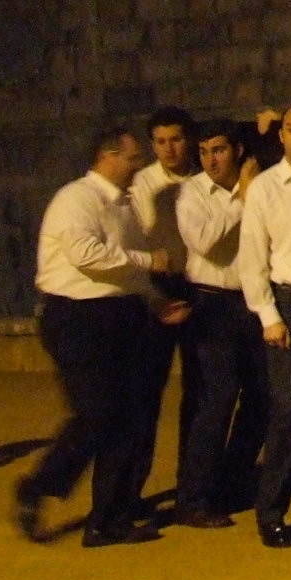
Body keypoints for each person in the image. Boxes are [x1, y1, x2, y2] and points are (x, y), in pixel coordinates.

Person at [16, 123, 182, 547]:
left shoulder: (122, 206)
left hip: (119, 314)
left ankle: (107, 519)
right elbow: (86, 255)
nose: (138, 164)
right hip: (77, 318)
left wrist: (154, 300)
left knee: (128, 420)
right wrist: (150, 261)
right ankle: (40, 485)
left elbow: (123, 270)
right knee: (97, 414)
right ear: (108, 157)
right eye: (131, 157)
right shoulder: (76, 199)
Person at [237, 103, 291, 550]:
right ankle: (270, 509)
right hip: (289, 302)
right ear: (282, 135)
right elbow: (252, 257)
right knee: (289, 410)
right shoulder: (266, 188)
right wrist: (269, 316)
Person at [171, 120, 264, 529]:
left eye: (219, 150)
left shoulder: (261, 185)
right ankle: (193, 498)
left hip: (254, 302)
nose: (210, 159)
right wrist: (243, 198)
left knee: (262, 400)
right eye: (205, 151)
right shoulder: (192, 192)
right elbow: (206, 242)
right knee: (215, 401)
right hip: (211, 304)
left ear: (238, 151)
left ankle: (232, 481)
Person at [129, 106, 195, 502]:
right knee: (145, 395)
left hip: (197, 287)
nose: (169, 150)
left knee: (200, 393)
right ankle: (131, 490)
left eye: (176, 140)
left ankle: (194, 484)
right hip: (156, 290)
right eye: (161, 142)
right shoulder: (141, 186)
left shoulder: (204, 176)